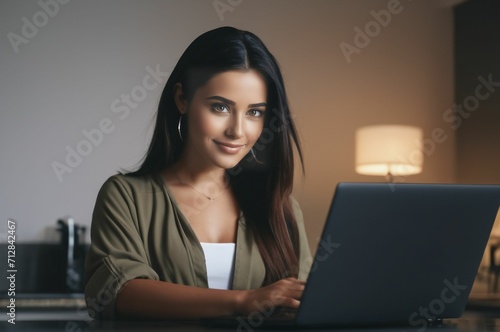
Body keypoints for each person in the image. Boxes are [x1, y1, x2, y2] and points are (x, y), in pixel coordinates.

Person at [84, 26, 311, 320]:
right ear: (182, 99)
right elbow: (118, 292)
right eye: (220, 107)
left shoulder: (280, 205)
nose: (237, 131)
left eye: (254, 112)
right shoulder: (126, 196)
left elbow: (303, 300)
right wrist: (246, 300)